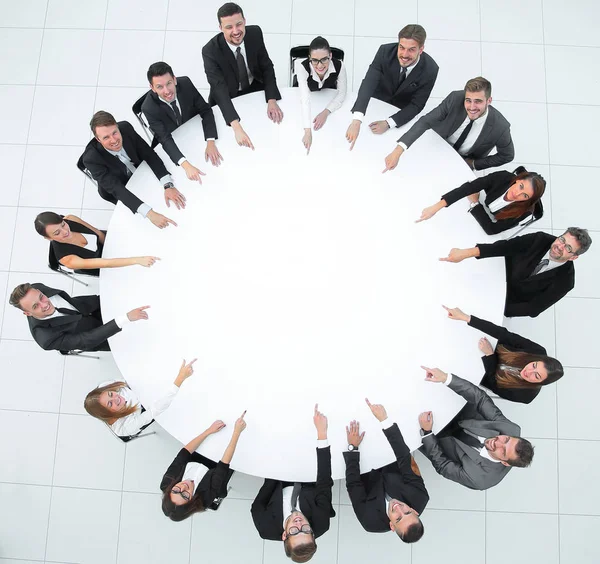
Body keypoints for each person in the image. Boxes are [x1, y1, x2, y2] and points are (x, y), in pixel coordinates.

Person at [418, 366, 534, 490]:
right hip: (456, 411)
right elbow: (480, 399)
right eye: (505, 440)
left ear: (505, 462)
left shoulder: (480, 479)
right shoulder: (511, 429)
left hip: (436, 442)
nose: (497, 442)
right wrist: (446, 378)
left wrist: (427, 433)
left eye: (503, 451)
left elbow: (443, 466)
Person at [440, 227, 593, 317]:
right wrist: (467, 253)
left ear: (574, 257)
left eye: (568, 248)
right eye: (562, 240)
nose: (559, 246)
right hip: (496, 273)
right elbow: (505, 247)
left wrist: (495, 309)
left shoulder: (566, 281)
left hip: (506, 302)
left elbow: (533, 308)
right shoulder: (540, 239)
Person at [251, 405, 336, 562]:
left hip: (277, 478)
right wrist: (322, 434)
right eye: (305, 529)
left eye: (294, 531)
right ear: (313, 533)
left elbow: (258, 504)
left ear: (284, 535)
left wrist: (276, 463)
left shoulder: (265, 526)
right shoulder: (321, 522)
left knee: (278, 427)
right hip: (308, 476)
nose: (299, 524)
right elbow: (324, 481)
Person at [384, 77, 514, 173]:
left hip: (461, 160)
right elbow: (426, 121)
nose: (472, 107)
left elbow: (507, 155)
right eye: (468, 101)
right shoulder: (455, 99)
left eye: (478, 102)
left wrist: (474, 164)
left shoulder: (500, 127)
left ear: (489, 101)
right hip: (437, 144)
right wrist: (398, 151)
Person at [343, 398, 429, 542]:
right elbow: (404, 458)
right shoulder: (419, 497)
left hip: (363, 466)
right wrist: (384, 420)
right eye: (407, 512)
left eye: (398, 518)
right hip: (389, 455)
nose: (399, 508)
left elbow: (353, 485)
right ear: (414, 511)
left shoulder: (369, 521)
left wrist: (353, 448)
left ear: (392, 526)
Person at [202, 2, 283, 150]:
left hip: (254, 85)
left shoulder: (255, 33)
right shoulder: (210, 51)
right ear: (220, 28)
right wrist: (236, 126)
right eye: (228, 27)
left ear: (245, 21)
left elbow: (266, 67)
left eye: (239, 24)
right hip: (228, 94)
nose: (236, 31)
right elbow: (219, 89)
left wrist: (271, 99)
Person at [442, 306, 563, 404]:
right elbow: (505, 335)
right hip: (485, 345)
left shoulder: (526, 396)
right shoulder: (537, 351)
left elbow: (492, 384)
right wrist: (466, 318)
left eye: (536, 376)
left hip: (480, 371)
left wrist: (490, 355)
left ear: (541, 383)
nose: (529, 371)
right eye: (534, 365)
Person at [82, 111, 181, 230]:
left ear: (118, 127)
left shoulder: (126, 128)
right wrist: (150, 214)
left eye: (115, 133)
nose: (114, 140)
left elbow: (149, 155)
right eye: (106, 137)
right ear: (98, 139)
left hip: (140, 171)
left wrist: (167, 184)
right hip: (119, 186)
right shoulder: (91, 159)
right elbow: (117, 190)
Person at [346, 24, 438, 150]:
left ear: (421, 50)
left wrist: (389, 123)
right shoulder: (384, 52)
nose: (404, 55)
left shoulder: (431, 69)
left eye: (411, 49)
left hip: (399, 112)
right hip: (375, 103)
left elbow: (417, 105)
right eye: (402, 47)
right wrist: (357, 119)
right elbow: (368, 83)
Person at [8, 282, 149, 353]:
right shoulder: (47, 339)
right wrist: (125, 318)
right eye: (35, 307)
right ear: (27, 313)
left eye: (41, 297)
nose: (44, 304)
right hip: (98, 336)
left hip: (89, 307)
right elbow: (86, 340)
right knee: (141, 344)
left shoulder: (37, 288)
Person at [142, 61, 223, 182]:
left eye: (169, 83)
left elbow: (205, 110)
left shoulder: (185, 83)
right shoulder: (148, 108)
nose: (167, 91)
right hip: (172, 136)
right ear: (152, 88)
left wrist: (210, 141)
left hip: (193, 129)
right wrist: (186, 165)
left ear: (174, 80)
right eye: (159, 87)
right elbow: (164, 139)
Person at [160, 410, 247, 521]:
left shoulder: (167, 483)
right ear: (192, 500)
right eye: (185, 495)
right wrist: (237, 432)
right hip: (217, 467)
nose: (183, 487)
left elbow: (184, 453)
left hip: (198, 455)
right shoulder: (204, 498)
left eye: (176, 490)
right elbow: (223, 465)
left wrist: (208, 431)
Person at [84, 358, 196, 437]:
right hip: (144, 409)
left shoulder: (103, 387)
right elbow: (154, 410)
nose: (116, 398)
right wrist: (180, 379)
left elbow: (130, 380)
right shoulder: (124, 428)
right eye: (110, 404)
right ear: (107, 414)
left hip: (139, 390)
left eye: (111, 394)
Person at [416, 169, 546, 235]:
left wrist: (475, 204)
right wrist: (437, 207)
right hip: (482, 212)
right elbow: (470, 187)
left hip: (483, 222)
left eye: (525, 195)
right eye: (521, 186)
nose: (517, 194)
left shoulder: (524, 212)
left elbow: (492, 229)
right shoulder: (503, 177)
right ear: (518, 180)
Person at [34, 211, 159, 276]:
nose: (65, 231)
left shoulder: (70, 219)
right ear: (48, 238)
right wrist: (137, 260)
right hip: (104, 267)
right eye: (57, 233)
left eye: (63, 225)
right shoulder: (66, 259)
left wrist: (120, 247)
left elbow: (98, 234)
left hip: (108, 245)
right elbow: (106, 263)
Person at [294, 36, 347, 154]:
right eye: (314, 60)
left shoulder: (340, 66)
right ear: (309, 59)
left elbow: (342, 93)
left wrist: (325, 112)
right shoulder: (302, 68)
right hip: (309, 94)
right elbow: (305, 99)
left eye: (324, 59)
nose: (319, 65)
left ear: (331, 56)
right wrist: (308, 131)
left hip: (328, 96)